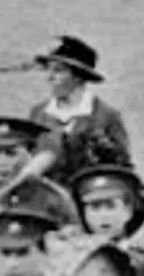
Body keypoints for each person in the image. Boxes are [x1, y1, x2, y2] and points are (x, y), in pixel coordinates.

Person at [0, 117, 80, 276]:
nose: (1, 160)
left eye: (11, 153)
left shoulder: (56, 199)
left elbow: (76, 256)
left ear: (31, 154)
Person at [26, 36, 131, 187]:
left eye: (58, 71)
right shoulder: (38, 113)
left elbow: (123, 168)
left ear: (78, 77)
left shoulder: (105, 115)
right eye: (48, 69)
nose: (49, 77)